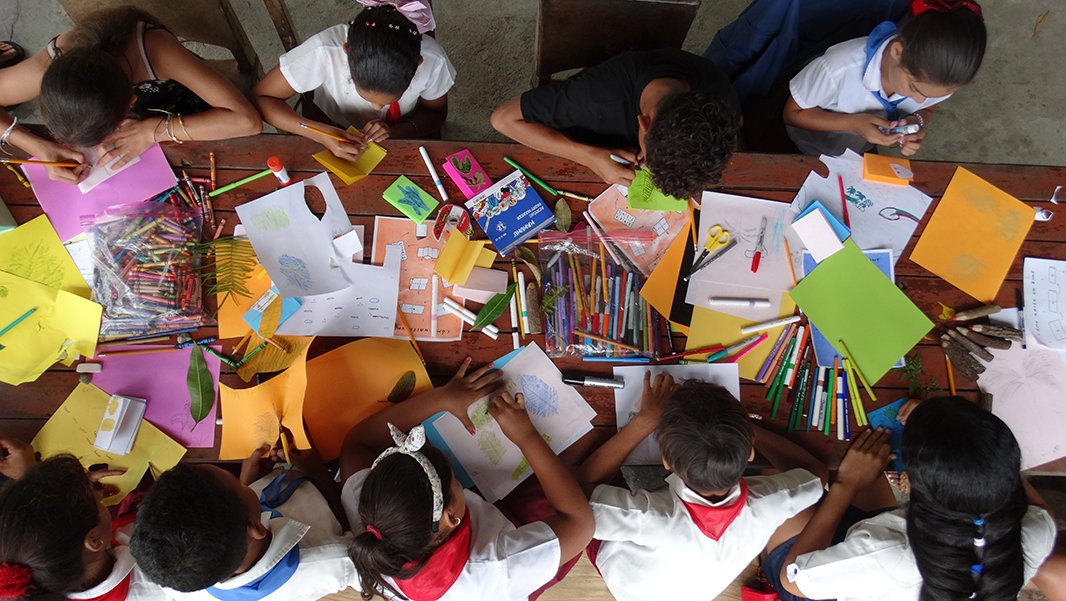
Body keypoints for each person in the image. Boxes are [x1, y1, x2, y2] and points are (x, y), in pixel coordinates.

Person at [339, 357, 595, 601]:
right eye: (455, 480)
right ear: (451, 517)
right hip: (508, 566)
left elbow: (356, 444)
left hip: (480, 532)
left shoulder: (372, 518)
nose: (457, 479)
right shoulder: (499, 567)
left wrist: (443, 397)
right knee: (579, 491)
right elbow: (580, 524)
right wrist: (526, 436)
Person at [768, 396, 1065, 601]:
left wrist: (847, 485)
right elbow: (1038, 513)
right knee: (861, 449)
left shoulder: (886, 553)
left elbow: (792, 578)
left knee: (806, 476)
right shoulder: (1033, 532)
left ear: (911, 484)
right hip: (878, 561)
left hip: (819, 579)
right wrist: (947, 426)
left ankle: (746, 428)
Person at [574, 374, 828, 601]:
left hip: (629, 583)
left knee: (589, 485)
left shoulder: (645, 517)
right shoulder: (770, 501)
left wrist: (644, 420)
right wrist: (738, 428)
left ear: (666, 461)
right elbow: (818, 474)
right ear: (750, 450)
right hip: (696, 587)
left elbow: (578, 493)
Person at [0, 6, 261, 185]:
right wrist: (36, 146)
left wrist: (152, 132)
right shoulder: (52, 62)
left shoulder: (156, 50)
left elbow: (247, 121)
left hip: (192, 113)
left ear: (130, 102)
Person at [129, 433, 354, 601]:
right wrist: (317, 472)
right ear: (255, 529)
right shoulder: (332, 560)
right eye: (237, 483)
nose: (242, 482)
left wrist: (249, 484)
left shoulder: (179, 580)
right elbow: (356, 529)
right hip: (334, 492)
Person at [490, 49, 742, 199]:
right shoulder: (593, 99)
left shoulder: (716, 97)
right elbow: (502, 119)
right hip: (589, 126)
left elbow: (737, 123)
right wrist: (589, 156)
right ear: (642, 123)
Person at [252, 1, 455, 164]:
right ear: (347, 53)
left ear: (418, 64)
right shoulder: (324, 51)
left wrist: (397, 131)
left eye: (392, 98)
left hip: (406, 127)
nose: (376, 108)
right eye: (363, 93)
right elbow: (261, 98)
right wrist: (321, 134)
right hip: (327, 123)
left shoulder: (433, 61)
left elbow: (436, 114)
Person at [783, 0, 986, 156]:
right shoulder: (838, 68)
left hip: (856, 149)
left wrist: (917, 120)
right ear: (897, 51)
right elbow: (793, 113)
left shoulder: (934, 79)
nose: (920, 100)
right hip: (811, 142)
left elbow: (927, 108)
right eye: (915, 89)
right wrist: (853, 124)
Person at [0, 445, 166, 601]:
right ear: (93, 540)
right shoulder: (160, 575)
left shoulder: (47, 572)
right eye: (96, 503)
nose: (98, 498)